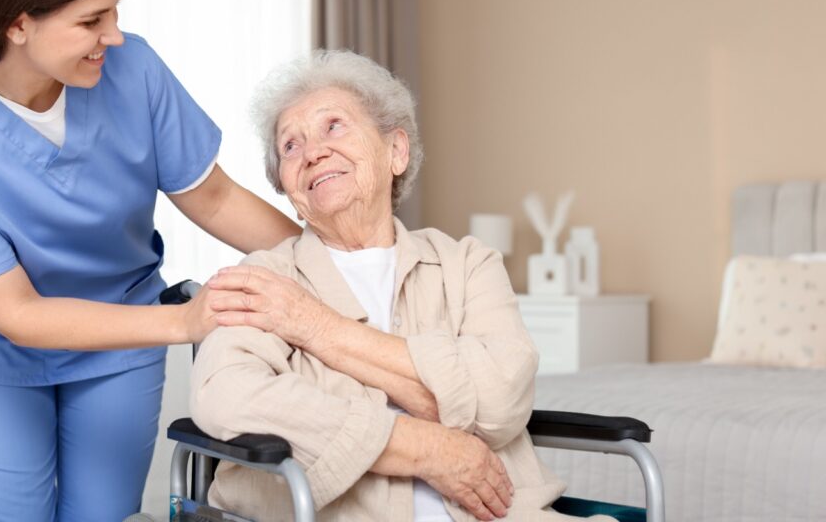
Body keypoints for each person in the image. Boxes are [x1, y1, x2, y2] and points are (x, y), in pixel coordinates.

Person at [0, 0, 299, 522]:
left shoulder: (135, 71)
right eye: (91, 20)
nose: (113, 36)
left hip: (119, 343)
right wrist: (185, 323)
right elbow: (18, 312)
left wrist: (327, 260)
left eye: (115, 12)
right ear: (17, 23)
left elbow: (215, 197)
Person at [191, 51, 616, 521]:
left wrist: (315, 327)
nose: (312, 153)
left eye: (334, 126)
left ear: (396, 151)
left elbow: (501, 399)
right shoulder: (265, 280)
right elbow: (226, 395)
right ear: (287, 188)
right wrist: (424, 447)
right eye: (290, 146)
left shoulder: (467, 265)